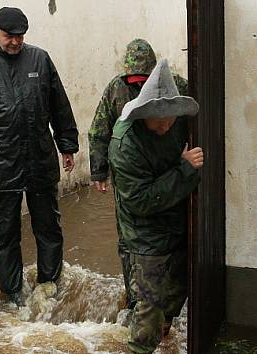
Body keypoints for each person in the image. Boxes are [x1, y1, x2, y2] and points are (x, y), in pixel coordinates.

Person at [0, 7, 79, 305]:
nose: (15, 42)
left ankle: (49, 283)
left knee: (48, 225)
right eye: (9, 36)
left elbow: (60, 105)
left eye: (20, 36)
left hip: (39, 158)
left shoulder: (40, 59)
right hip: (0, 162)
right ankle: (12, 291)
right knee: (5, 232)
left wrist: (67, 145)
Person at [108, 59, 203, 353]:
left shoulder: (177, 121)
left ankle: (164, 333)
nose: (165, 125)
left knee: (175, 296)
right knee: (147, 317)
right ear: (141, 114)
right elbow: (140, 201)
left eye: (170, 118)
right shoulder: (124, 144)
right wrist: (185, 170)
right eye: (157, 120)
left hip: (176, 225)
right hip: (145, 236)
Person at [88, 38, 189, 311]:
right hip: (131, 174)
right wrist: (99, 171)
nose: (140, 85)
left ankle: (167, 303)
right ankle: (136, 298)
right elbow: (99, 130)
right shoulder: (116, 89)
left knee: (172, 234)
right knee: (130, 239)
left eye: (145, 80)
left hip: (169, 170)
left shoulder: (176, 87)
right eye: (135, 79)